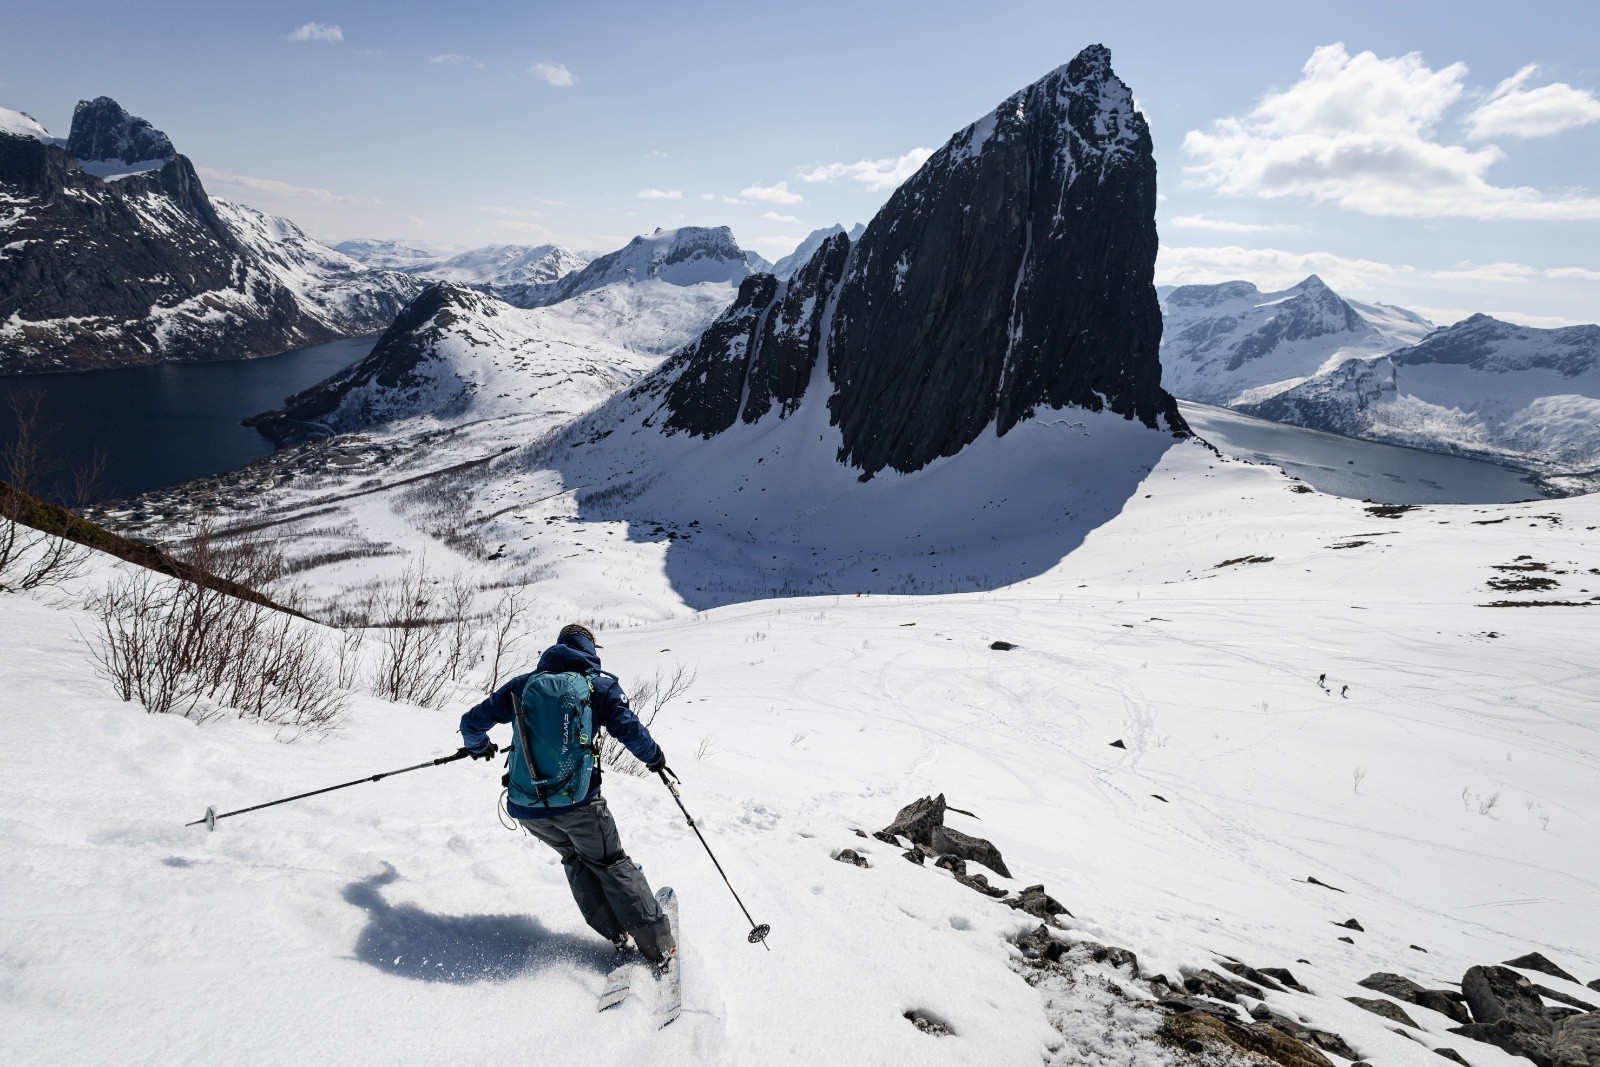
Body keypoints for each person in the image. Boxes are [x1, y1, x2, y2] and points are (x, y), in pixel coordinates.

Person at [458, 623, 675, 965]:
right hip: (580, 806)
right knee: (610, 862)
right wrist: (656, 760)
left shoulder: (522, 685)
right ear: (590, 650)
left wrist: (479, 747)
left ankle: (616, 933)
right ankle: (660, 948)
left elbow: (470, 724)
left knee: (575, 858)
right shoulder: (599, 686)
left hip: (526, 808)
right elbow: (630, 731)